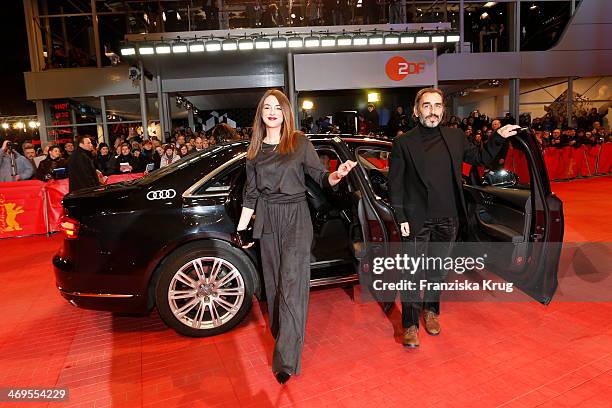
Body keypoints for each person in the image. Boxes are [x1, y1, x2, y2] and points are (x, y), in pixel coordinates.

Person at [235, 90, 357, 384]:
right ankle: (284, 337)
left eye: (278, 106)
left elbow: (319, 176)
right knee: (275, 287)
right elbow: (250, 195)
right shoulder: (254, 151)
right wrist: (242, 228)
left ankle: (286, 361)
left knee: (292, 285)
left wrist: (336, 175)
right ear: (261, 113)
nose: (273, 111)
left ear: (286, 112)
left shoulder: (300, 142)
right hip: (267, 219)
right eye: (267, 107)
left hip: (296, 218)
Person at [388, 87, 519, 348]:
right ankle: (410, 324)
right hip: (416, 219)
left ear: (443, 111)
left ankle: (431, 311)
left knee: (437, 270)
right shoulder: (404, 143)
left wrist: (498, 137)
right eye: (426, 106)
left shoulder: (455, 136)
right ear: (416, 111)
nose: (432, 111)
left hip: (449, 218)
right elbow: (396, 184)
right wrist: (400, 215)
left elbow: (481, 157)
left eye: (437, 106)